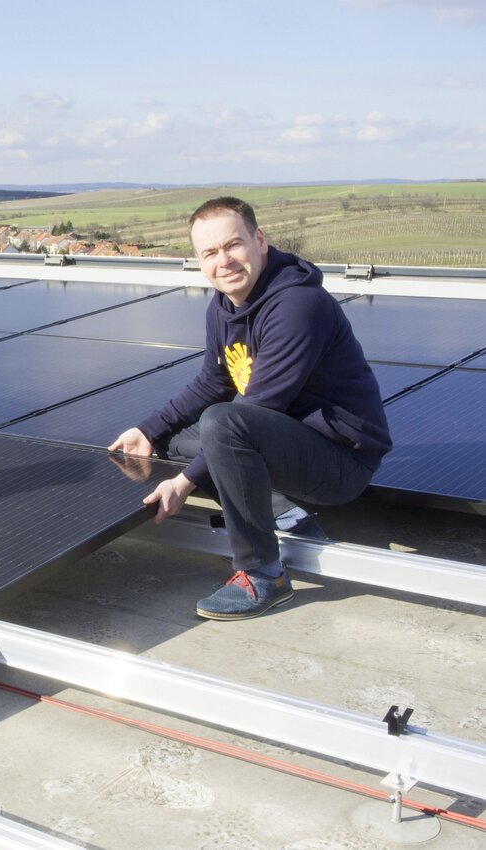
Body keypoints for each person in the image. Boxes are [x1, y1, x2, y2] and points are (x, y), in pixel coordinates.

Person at [108, 197, 390, 621]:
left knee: (222, 425)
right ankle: (284, 511)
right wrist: (148, 430)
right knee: (176, 438)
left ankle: (263, 574)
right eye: (209, 252)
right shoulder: (224, 307)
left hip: (340, 463)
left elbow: (256, 405)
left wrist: (184, 483)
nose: (223, 261)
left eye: (233, 245)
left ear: (259, 241)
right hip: (285, 442)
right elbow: (213, 382)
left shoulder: (298, 306)